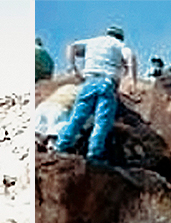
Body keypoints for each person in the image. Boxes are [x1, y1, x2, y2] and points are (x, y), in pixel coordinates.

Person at [54, 24, 137, 163]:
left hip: (89, 82)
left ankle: (61, 146)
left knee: (77, 117)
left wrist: (73, 67)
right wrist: (131, 77)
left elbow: (72, 47)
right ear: (120, 37)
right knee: (102, 121)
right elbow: (130, 56)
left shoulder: (92, 41)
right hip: (106, 83)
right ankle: (94, 154)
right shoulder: (119, 45)